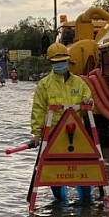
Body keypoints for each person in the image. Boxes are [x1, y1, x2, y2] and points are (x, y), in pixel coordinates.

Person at [30, 43, 95, 202]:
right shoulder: (44, 85)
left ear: (69, 61)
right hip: (53, 136)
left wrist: (88, 101)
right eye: (56, 62)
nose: (60, 65)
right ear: (50, 63)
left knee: (84, 170)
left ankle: (86, 201)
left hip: (77, 135)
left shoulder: (79, 83)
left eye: (63, 61)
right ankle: (61, 201)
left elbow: (89, 100)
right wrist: (37, 134)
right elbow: (38, 110)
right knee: (55, 172)